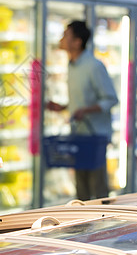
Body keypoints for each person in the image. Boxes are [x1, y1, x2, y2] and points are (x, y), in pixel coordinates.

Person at [47, 20, 118, 201]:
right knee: (82, 191)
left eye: (66, 35)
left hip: (95, 138)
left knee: (98, 190)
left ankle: (103, 227)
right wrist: (63, 107)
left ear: (77, 42)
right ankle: (86, 227)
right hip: (79, 135)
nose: (61, 39)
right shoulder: (72, 65)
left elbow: (111, 99)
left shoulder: (94, 66)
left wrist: (85, 111)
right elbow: (81, 100)